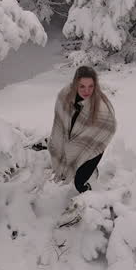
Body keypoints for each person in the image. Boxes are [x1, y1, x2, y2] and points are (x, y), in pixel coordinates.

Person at [48, 65, 116, 193]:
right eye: (82, 86)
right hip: (72, 142)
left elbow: (110, 127)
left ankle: (89, 199)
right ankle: (91, 171)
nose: (87, 91)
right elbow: (59, 124)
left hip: (92, 146)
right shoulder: (65, 96)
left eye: (91, 86)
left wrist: (92, 144)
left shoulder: (101, 108)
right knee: (69, 166)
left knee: (79, 183)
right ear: (75, 85)